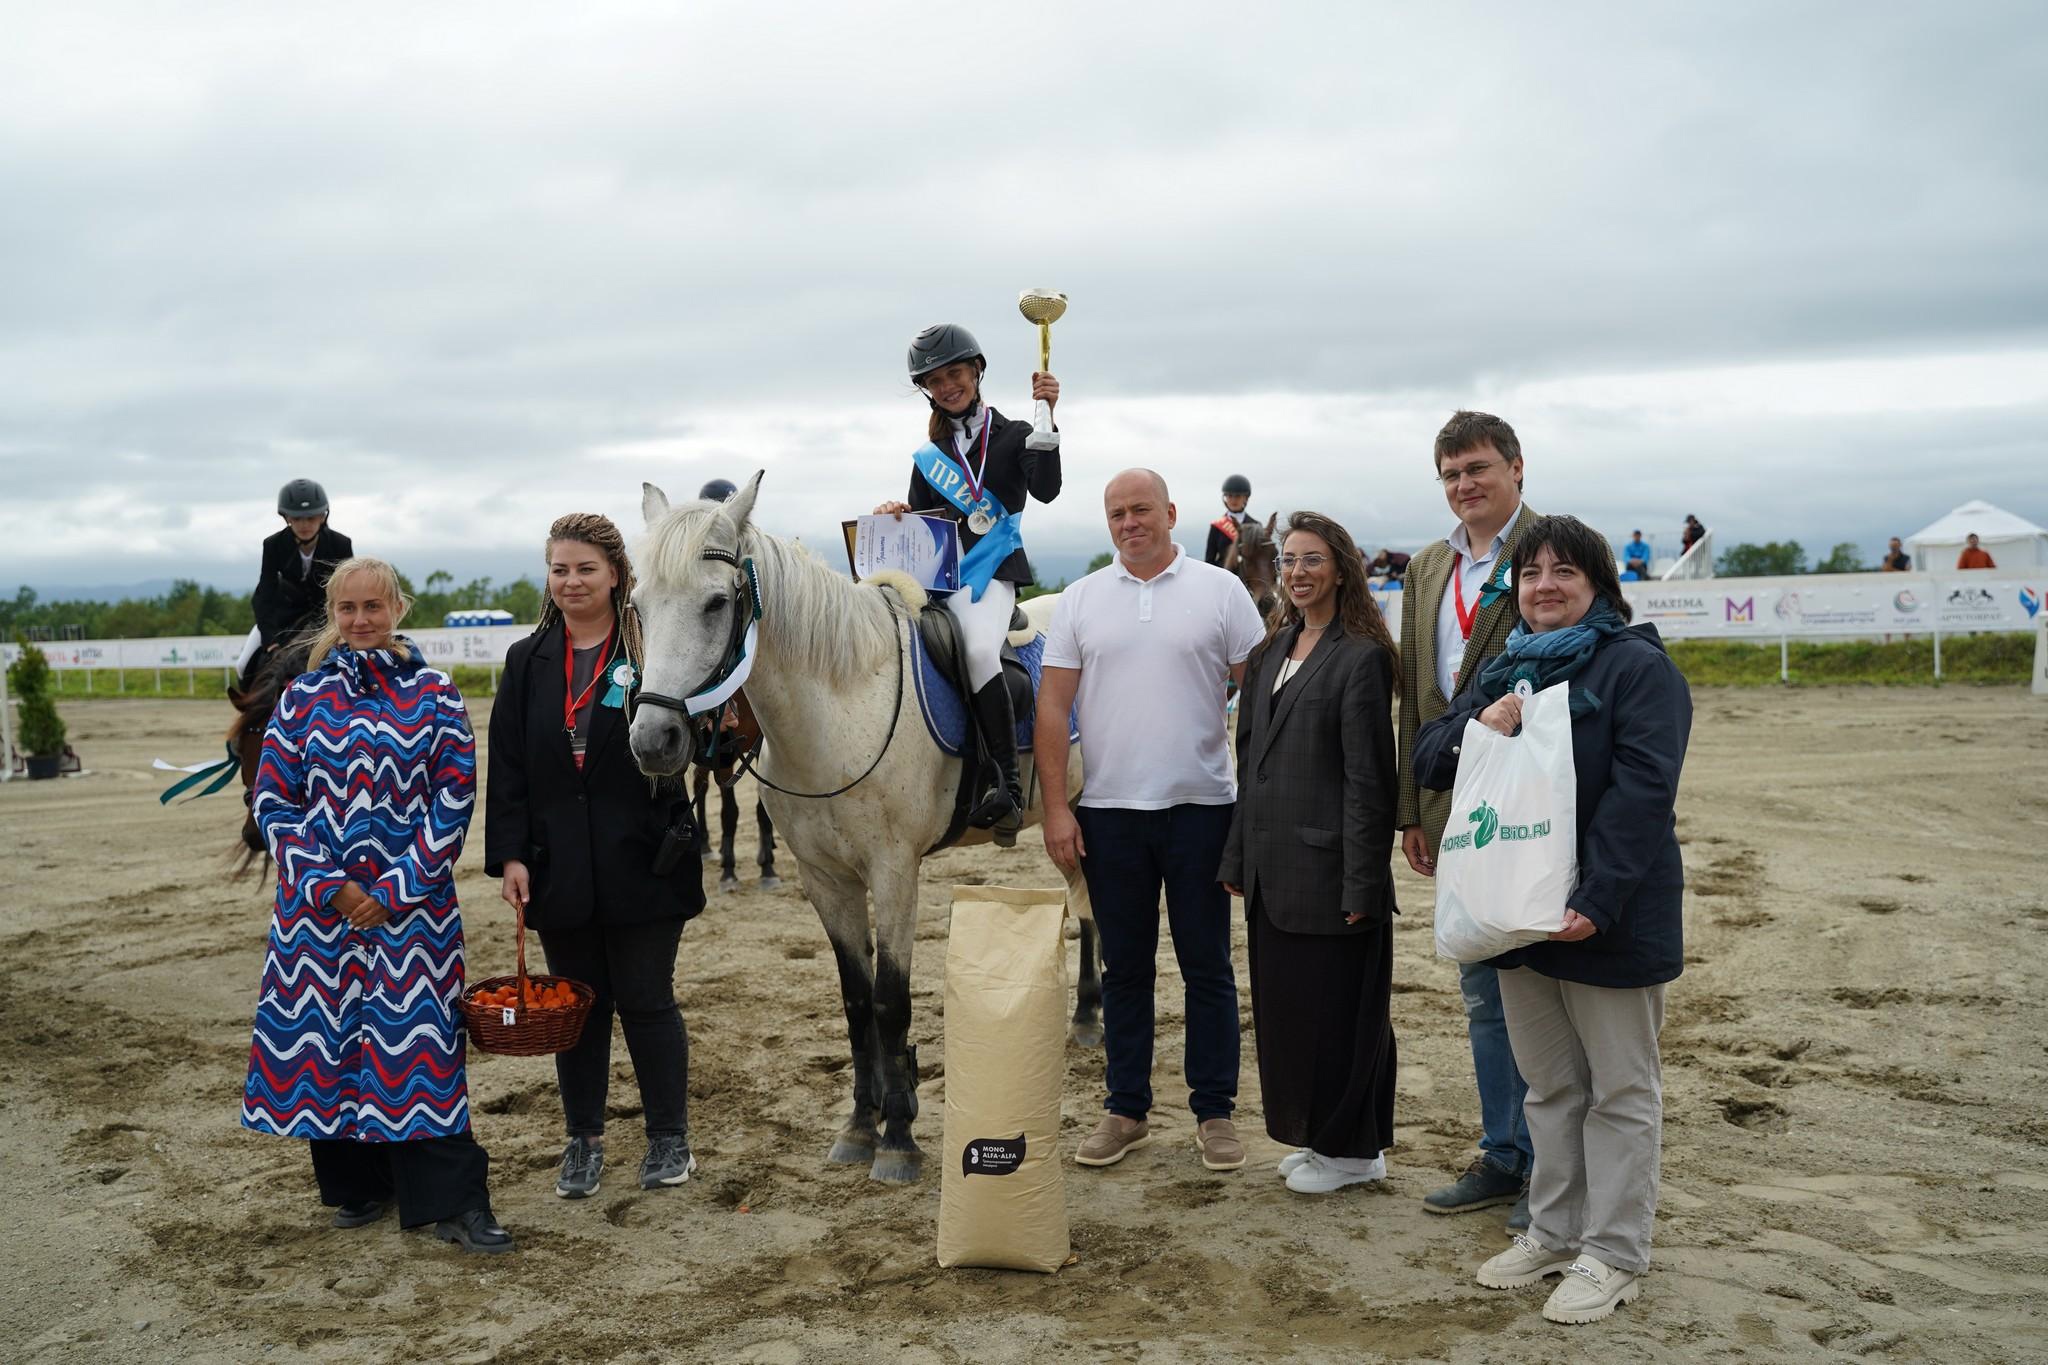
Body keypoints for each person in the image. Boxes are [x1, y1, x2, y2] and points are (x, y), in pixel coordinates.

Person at [1413, 514, 1691, 1326]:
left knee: (1621, 1091)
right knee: (1550, 1086)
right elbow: (1430, 755)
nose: (1544, 586)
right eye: (1532, 573)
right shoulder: (1507, 670)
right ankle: (1553, 1228)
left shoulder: (1638, 668)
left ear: (1599, 584)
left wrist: (1595, 900)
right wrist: (1481, 724)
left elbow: (1644, 794)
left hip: (1605, 918)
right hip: (1518, 919)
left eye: (1565, 572)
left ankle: (1614, 1251)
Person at [242, 557, 511, 1253]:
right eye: (348, 608)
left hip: (411, 915)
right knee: (325, 1042)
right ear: (335, 614)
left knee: (418, 1049)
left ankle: (452, 1202)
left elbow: (454, 799)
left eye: (373, 606)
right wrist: (330, 884)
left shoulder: (436, 694)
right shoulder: (301, 699)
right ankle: (358, 1185)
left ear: (397, 608)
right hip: (318, 914)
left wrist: (392, 891)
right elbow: (273, 798)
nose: (361, 620)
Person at [1037, 469, 1267, 1173]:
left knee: (1208, 967)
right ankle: (1126, 1107)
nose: (1128, 522)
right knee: (1125, 968)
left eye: (1141, 509)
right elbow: (1051, 710)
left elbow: (1257, 694)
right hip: (1109, 813)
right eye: (1116, 513)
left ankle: (1215, 1112)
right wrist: (1054, 807)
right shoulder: (1081, 600)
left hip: (1203, 806)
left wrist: (1254, 807)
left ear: (1170, 512)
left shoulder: (1220, 590)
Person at [485, 514, 707, 1199]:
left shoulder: (653, 650)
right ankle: (583, 1139)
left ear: (616, 574)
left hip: (645, 861)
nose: (571, 581)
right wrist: (510, 857)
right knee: (576, 1009)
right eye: (560, 568)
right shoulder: (528, 660)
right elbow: (509, 764)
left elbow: (696, 740)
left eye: (585, 568)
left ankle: (669, 1137)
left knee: (646, 1002)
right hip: (558, 869)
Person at [1218, 511, 1401, 1195]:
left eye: (1313, 559)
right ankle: (1328, 1140)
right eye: (1290, 559)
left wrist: (1362, 883)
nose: (1297, 572)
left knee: (1341, 1018)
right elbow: (1250, 765)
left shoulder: (1361, 656)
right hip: (1272, 873)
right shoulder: (1270, 652)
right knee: (1292, 1015)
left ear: (1342, 567)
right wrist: (1237, 859)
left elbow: (1367, 782)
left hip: (1332, 875)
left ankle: (1352, 1151)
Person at [1395, 410, 1541, 1229]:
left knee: (1545, 989)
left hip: (1531, 800)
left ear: (1517, 467)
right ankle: (1503, 1153)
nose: (1464, 485)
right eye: (1451, 474)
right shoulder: (1426, 565)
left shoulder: (1554, 547)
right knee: (1482, 985)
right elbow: (1413, 689)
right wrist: (1412, 808)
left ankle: (1554, 1166)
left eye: (1479, 468)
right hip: (1456, 804)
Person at [874, 323, 1061, 845]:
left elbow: (1046, 490)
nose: (947, 386)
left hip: (994, 571)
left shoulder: (1018, 434)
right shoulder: (927, 455)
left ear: (976, 371)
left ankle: (1007, 784)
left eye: (954, 373)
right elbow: (924, 521)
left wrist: (1050, 417)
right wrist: (897, 512)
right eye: (935, 381)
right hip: (941, 578)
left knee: (980, 649)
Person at [693, 477, 778, 889]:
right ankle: (718, 849)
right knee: (714, 765)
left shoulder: (753, 553)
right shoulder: (700, 555)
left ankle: (767, 850)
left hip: (753, 658)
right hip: (719, 664)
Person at [241, 478, 354, 688]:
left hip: (327, 619)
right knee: (242, 665)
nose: (304, 525)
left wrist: (340, 628)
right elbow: (265, 593)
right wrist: (270, 640)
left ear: (322, 516)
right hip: (284, 617)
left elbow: (348, 591)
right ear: (286, 518)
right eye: (297, 518)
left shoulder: (340, 544)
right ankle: (252, 711)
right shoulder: (273, 545)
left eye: (311, 518)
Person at [1204, 474, 1255, 567]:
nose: (1233, 500)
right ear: (1225, 498)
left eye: (1238, 496)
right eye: (1230, 496)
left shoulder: (1255, 525)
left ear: (1246, 498)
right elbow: (1209, 560)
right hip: (1223, 576)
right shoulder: (1216, 527)